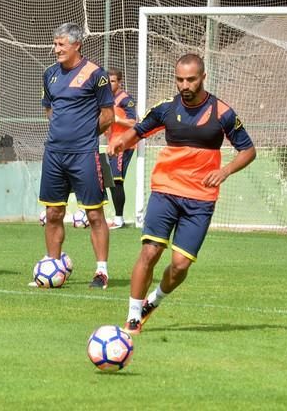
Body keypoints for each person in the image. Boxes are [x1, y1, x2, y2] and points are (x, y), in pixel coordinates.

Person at [108, 53, 256, 334]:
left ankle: (154, 301)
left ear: (203, 77)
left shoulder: (222, 113)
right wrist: (121, 142)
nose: (184, 85)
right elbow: (139, 131)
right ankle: (133, 316)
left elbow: (248, 150)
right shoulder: (166, 108)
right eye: (179, 80)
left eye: (190, 79)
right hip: (165, 191)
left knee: (179, 265)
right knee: (150, 252)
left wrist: (225, 171)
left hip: (200, 199)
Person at [36, 22, 114, 289]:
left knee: (94, 215)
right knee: (53, 213)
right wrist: (63, 130)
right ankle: (53, 266)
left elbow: (108, 116)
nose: (56, 49)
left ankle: (101, 272)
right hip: (54, 154)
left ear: (77, 44)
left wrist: (83, 134)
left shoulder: (96, 74)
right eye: (55, 44)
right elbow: (49, 109)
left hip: (85, 154)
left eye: (61, 44)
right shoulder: (49, 74)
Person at [105, 68, 138, 229]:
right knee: (110, 180)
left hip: (123, 145)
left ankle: (119, 219)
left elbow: (134, 122)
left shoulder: (125, 99)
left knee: (116, 181)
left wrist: (116, 119)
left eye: (112, 81)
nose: (109, 84)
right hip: (112, 144)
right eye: (107, 81)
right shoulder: (106, 99)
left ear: (119, 82)